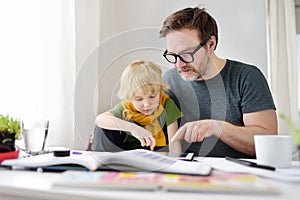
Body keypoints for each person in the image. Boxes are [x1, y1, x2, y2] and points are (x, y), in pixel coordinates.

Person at [159, 7, 277, 158]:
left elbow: (268, 144)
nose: (178, 65)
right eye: (173, 55)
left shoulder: (246, 77)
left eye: (186, 54)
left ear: (210, 44)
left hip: (238, 177)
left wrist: (216, 127)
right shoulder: (169, 80)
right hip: (187, 176)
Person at [94, 60, 182, 153]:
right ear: (130, 97)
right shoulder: (127, 107)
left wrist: (174, 163)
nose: (147, 104)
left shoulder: (167, 104)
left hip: (158, 156)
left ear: (160, 91)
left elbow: (174, 143)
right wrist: (133, 128)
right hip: (129, 155)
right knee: (102, 128)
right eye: (139, 99)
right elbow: (100, 119)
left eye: (152, 96)